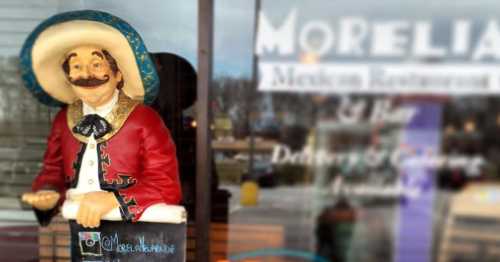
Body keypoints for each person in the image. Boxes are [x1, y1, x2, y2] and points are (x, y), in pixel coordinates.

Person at [18, 10, 182, 228]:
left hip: (132, 231)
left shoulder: (144, 120)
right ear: (68, 78)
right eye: (76, 67)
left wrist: (113, 199)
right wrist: (49, 193)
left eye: (96, 65)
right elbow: (52, 170)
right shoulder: (63, 120)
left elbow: (166, 185)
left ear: (118, 75)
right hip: (77, 226)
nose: (86, 75)